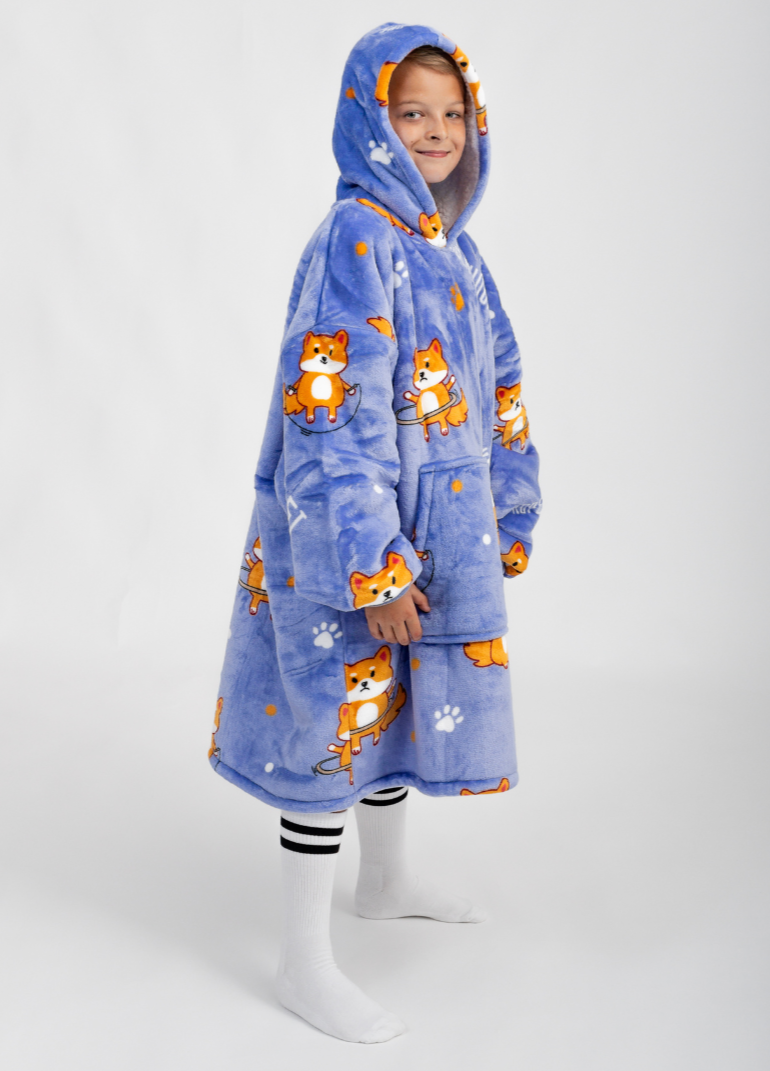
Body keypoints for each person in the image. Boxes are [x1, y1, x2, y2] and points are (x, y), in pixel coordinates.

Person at [209, 23, 540, 1043]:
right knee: (332, 731)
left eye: (451, 114)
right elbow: (331, 420)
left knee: (395, 709)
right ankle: (301, 960)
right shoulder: (354, 240)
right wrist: (372, 565)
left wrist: (508, 503)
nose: (435, 132)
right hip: (347, 540)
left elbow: (500, 382)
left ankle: (385, 880)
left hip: (438, 533)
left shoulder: (455, 251)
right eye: (411, 113)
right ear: (370, 121)